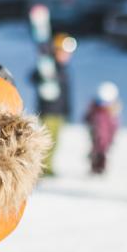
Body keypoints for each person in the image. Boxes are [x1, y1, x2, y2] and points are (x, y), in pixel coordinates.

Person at [31, 32, 75, 176]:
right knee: (46, 141)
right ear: (56, 50)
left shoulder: (64, 70)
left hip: (59, 113)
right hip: (48, 111)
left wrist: (68, 111)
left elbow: (66, 94)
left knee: (55, 141)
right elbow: (33, 77)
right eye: (64, 52)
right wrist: (44, 76)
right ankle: (41, 168)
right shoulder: (48, 66)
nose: (67, 56)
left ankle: (48, 167)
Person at [84, 81, 121, 175]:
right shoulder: (96, 110)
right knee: (97, 150)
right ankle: (95, 167)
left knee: (102, 151)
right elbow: (88, 118)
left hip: (106, 137)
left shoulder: (111, 113)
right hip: (97, 135)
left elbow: (114, 126)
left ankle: (99, 167)